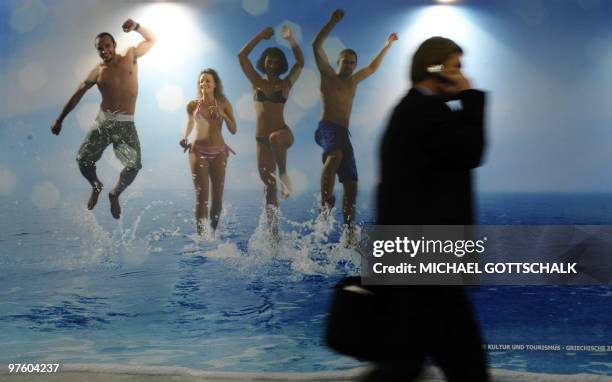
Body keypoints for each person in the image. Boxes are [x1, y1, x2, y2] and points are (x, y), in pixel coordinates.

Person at [371, 36, 489, 381]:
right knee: (464, 365)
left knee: (405, 364)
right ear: (436, 70)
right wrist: (470, 97)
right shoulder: (424, 112)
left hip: (419, 259)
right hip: (428, 261)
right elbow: (471, 151)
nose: (463, 75)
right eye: (457, 67)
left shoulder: (413, 110)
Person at [50, 19, 156, 219]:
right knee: (83, 160)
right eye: (100, 48)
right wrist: (60, 119)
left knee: (134, 166)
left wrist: (137, 27)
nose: (104, 50)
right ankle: (96, 185)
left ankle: (115, 193)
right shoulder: (98, 71)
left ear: (114, 45)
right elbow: (77, 94)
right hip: (104, 122)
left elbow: (152, 39)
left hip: (126, 123)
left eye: (107, 46)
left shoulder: (131, 55)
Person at [312, 9, 397, 245]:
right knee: (336, 153)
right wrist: (332, 22)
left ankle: (349, 233)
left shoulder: (354, 81)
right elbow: (315, 45)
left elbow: (372, 67)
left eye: (352, 62)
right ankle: (325, 200)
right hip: (327, 128)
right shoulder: (328, 75)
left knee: (351, 185)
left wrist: (387, 46)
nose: (349, 65)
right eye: (345, 61)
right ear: (337, 61)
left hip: (343, 133)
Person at [238, 24, 304, 237]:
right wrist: (261, 35)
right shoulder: (255, 81)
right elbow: (242, 55)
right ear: (264, 62)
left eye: (277, 61)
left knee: (275, 137)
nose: (273, 64)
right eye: (269, 60)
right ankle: (274, 234)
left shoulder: (286, 84)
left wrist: (291, 39)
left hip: (283, 135)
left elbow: (301, 63)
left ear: (281, 64)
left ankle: (284, 174)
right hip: (261, 141)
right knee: (268, 188)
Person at [180, 69, 237, 236]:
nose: (204, 83)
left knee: (217, 198)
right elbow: (189, 124)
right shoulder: (192, 105)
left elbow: (233, 130)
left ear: (215, 84)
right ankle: (201, 238)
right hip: (197, 152)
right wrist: (184, 137)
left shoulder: (224, 103)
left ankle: (211, 233)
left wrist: (224, 115)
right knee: (202, 197)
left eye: (207, 81)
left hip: (219, 152)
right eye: (201, 81)